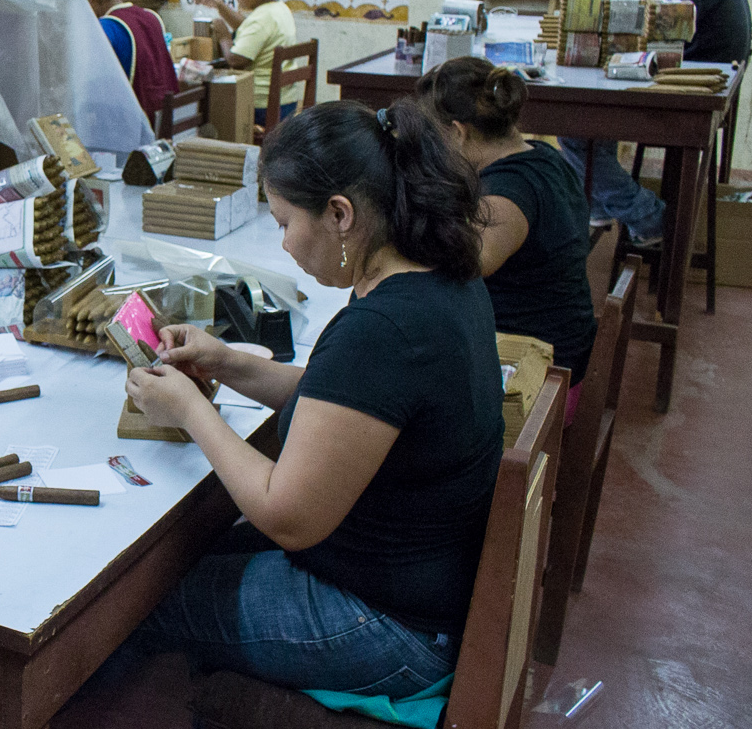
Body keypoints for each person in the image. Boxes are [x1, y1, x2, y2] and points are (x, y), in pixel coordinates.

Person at [116, 99, 503, 699]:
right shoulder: (432, 274)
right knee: (185, 554)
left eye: (284, 222)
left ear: (340, 214)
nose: (285, 246)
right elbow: (351, 409)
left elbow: (286, 515)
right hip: (416, 586)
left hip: (388, 624)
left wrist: (192, 412)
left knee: (140, 600)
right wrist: (227, 361)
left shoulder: (385, 330)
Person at [559, 0, 752, 243]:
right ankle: (602, 205)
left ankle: (647, 216)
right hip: (714, 89)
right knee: (593, 131)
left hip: (689, 97)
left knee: (575, 132)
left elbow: (665, 49)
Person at [419, 57, 596, 413]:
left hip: (540, 381)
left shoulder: (505, 196)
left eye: (432, 137)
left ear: (457, 133)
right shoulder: (544, 157)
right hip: (563, 354)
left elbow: (464, 264)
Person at [190, 0, 300, 127]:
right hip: (286, 101)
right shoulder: (278, 9)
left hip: (261, 105)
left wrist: (225, 37)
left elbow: (235, 60)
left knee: (204, 106)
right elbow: (248, 28)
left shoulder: (263, 18)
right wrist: (219, 5)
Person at [72, 0, 178, 124]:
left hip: (132, 128)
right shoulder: (150, 16)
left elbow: (89, 87)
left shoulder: (106, 28)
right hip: (163, 121)